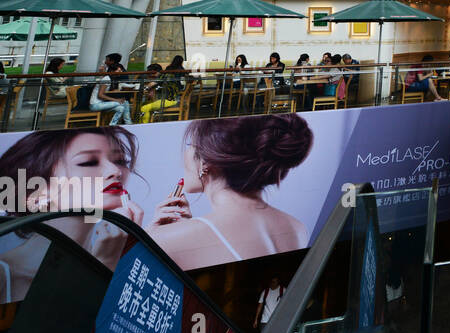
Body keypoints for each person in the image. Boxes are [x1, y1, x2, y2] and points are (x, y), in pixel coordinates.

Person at [148, 114, 314, 271]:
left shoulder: (165, 240)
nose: (186, 153)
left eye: (190, 144)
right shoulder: (297, 228)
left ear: (205, 162)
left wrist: (150, 237)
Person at [0, 126, 143, 303]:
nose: (116, 171)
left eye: (120, 160)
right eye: (89, 162)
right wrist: (105, 265)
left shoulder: (120, 255)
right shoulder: (6, 276)